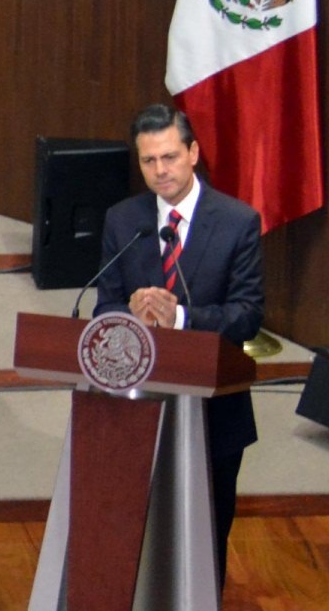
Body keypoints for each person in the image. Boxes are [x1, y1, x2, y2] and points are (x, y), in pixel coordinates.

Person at [95, 104, 266, 583]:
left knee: (205, 543)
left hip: (214, 412)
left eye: (169, 157)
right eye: (148, 160)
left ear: (193, 153)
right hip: (137, 411)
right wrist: (130, 314)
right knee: (135, 538)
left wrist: (183, 317)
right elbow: (103, 309)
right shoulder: (123, 221)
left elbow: (247, 314)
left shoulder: (236, 222)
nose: (160, 171)